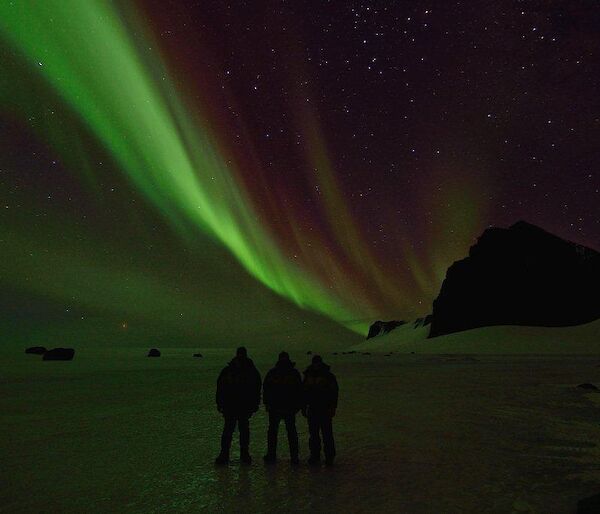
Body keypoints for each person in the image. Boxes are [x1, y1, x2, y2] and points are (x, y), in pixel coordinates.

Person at [215, 347, 262, 465]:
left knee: (242, 431)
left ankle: (243, 454)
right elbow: (220, 387)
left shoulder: (250, 371)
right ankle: (225, 454)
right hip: (231, 406)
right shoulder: (229, 371)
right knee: (229, 431)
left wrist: (255, 404)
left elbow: (256, 389)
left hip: (243, 406)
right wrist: (220, 403)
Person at [262, 351, 304, 465]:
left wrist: (267, 403)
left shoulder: (275, 373)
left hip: (282, 408)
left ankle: (278, 455)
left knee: (280, 432)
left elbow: (299, 391)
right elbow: (266, 389)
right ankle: (292, 457)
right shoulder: (292, 373)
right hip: (282, 408)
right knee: (285, 432)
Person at [302, 354, 338, 466]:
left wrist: (332, 407)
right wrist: (304, 406)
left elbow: (333, 393)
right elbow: (304, 392)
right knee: (315, 435)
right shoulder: (310, 376)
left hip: (324, 409)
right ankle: (315, 455)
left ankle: (328, 457)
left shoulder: (326, 376)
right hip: (314, 409)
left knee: (325, 434)